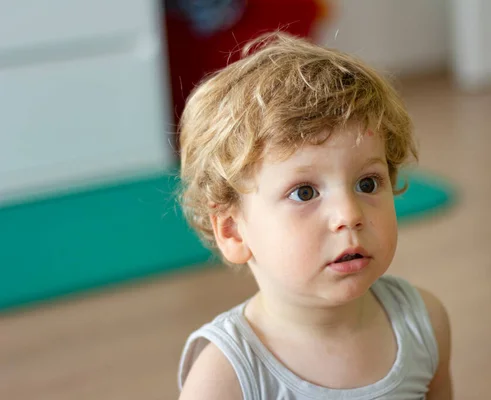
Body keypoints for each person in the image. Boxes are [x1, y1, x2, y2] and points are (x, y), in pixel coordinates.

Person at [177, 32, 453, 399]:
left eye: (367, 184)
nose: (348, 215)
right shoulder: (226, 376)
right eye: (304, 193)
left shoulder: (424, 325)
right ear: (233, 232)